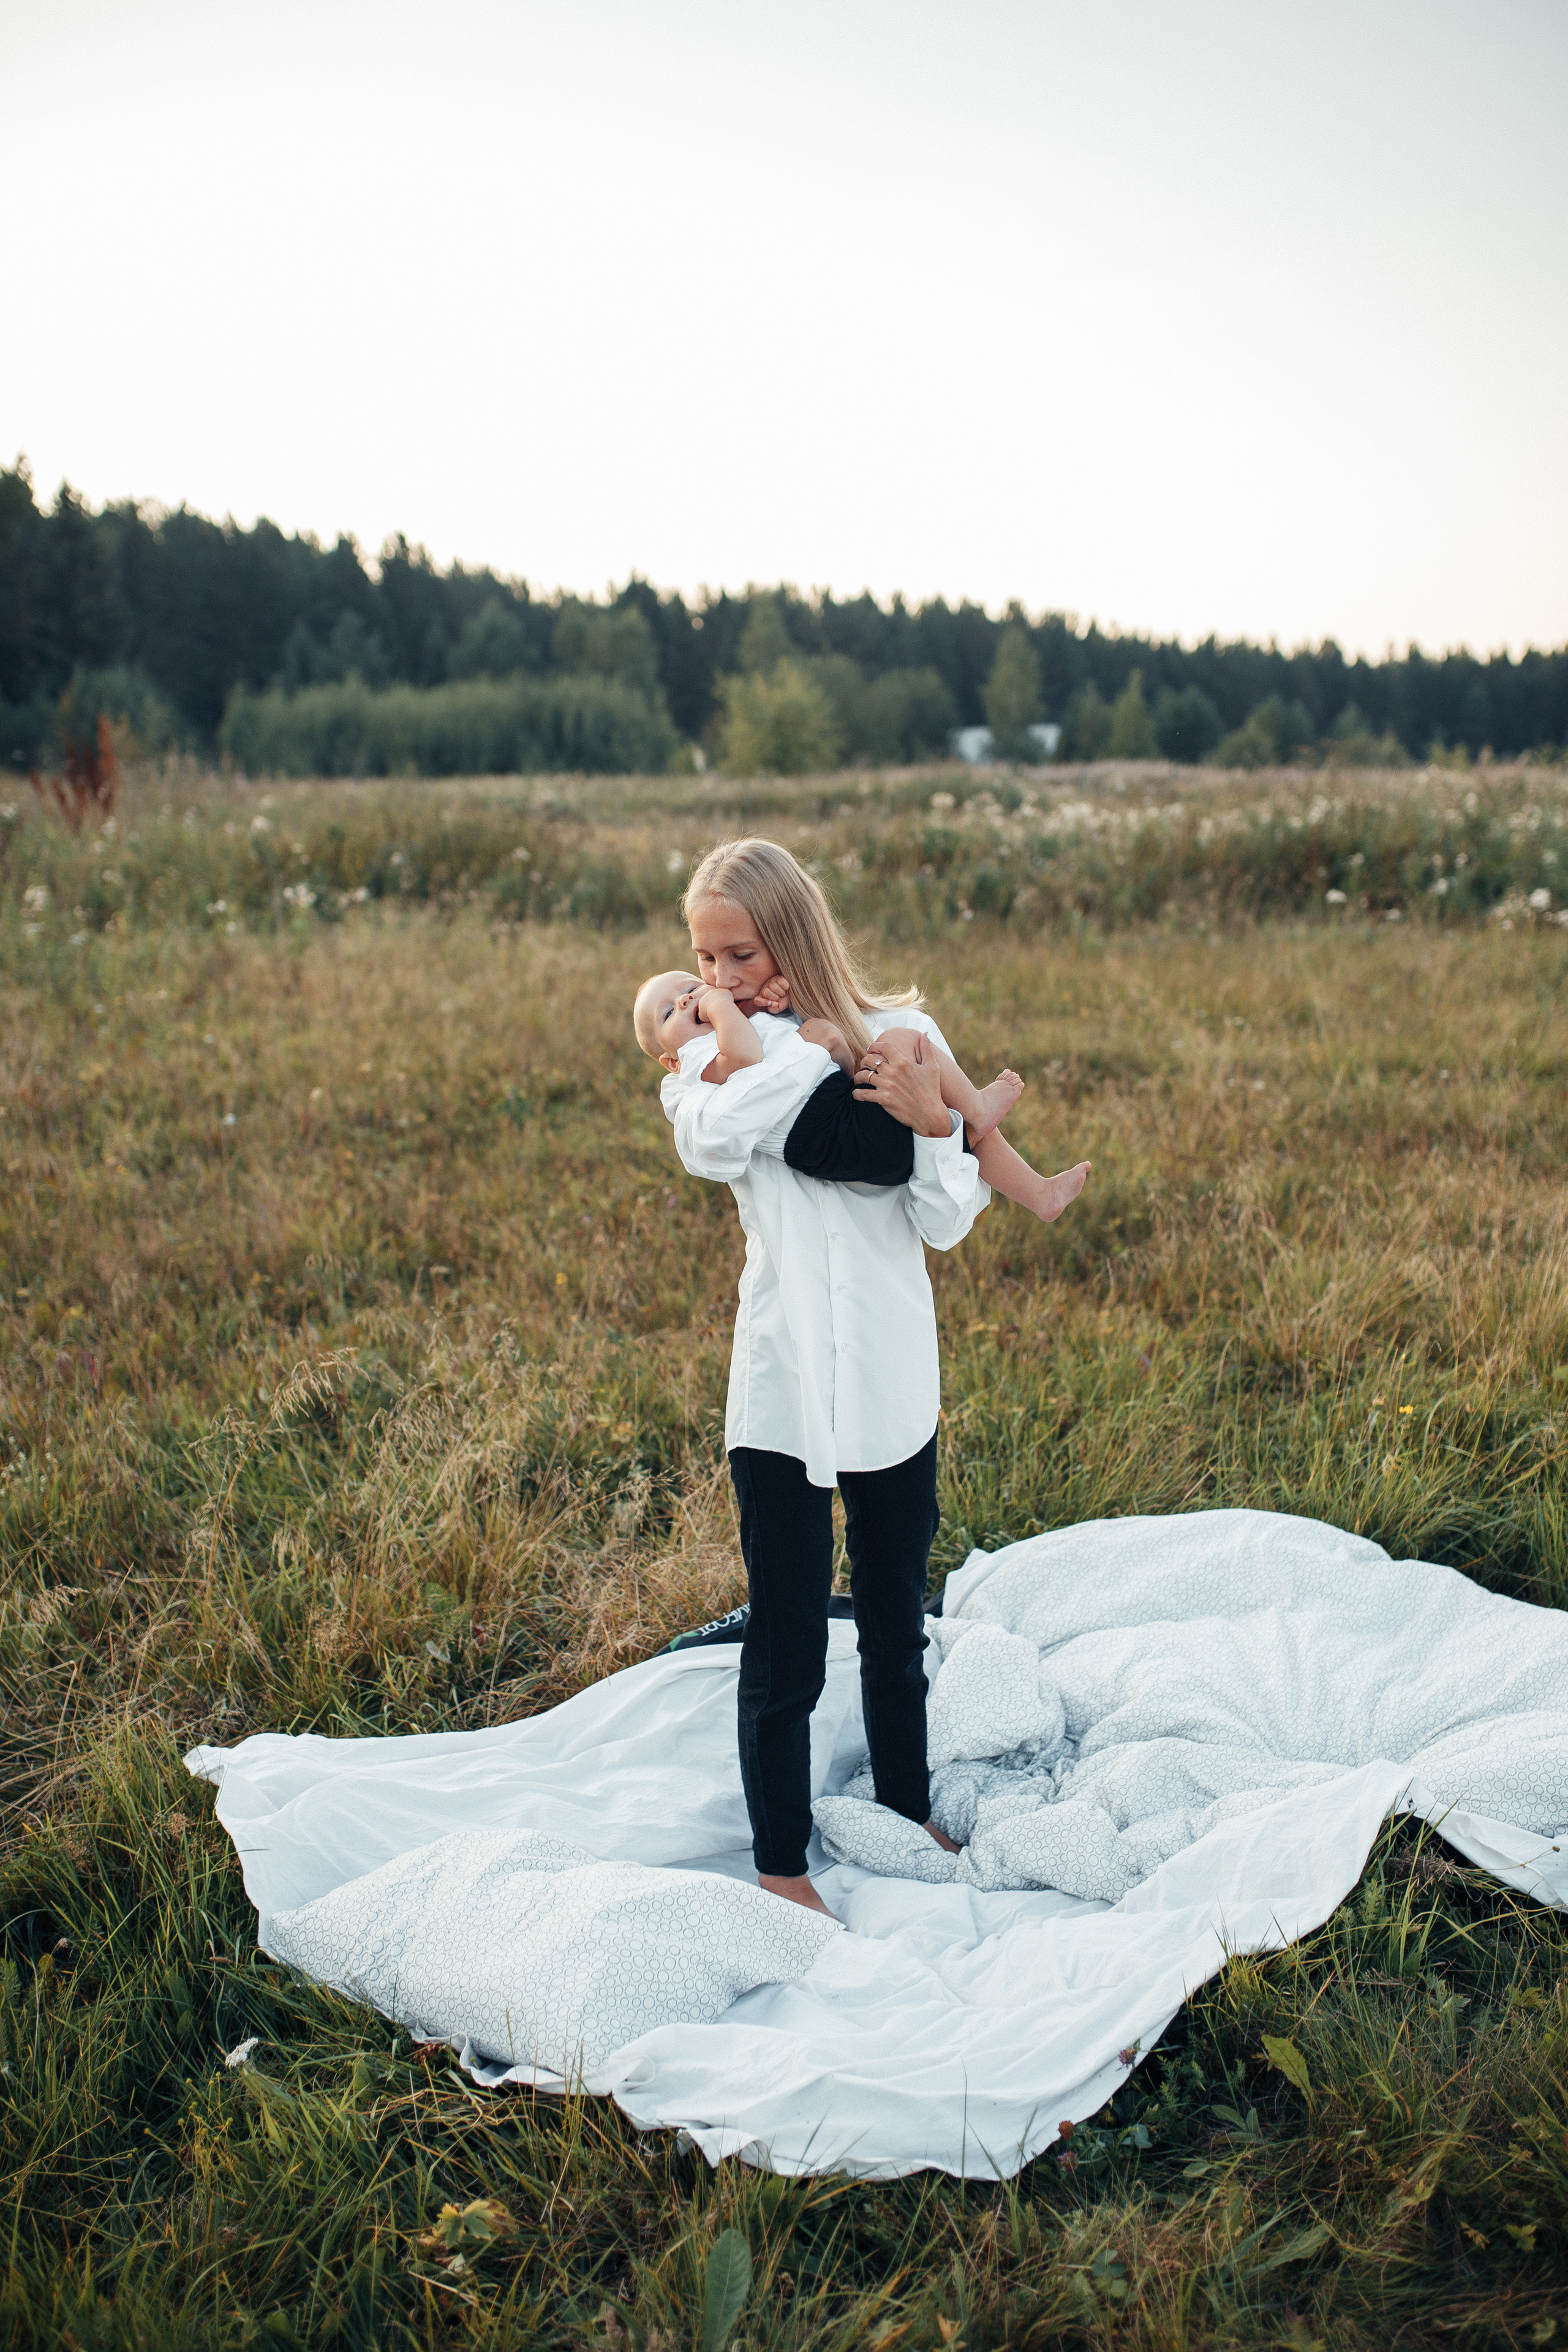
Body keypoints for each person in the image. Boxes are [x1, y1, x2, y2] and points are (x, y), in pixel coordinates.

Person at [656, 837, 1087, 1918]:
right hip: (782, 1386)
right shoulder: (712, 1068)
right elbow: (711, 1145)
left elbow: (941, 1221)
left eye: (740, 954)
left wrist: (936, 1122)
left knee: (897, 1619)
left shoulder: (908, 1038)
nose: (718, 982)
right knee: (787, 1631)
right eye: (703, 961)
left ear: (794, 936)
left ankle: (906, 1807)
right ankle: (780, 1860)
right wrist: (781, 1043)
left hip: (893, 1379)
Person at [633, 968, 1090, 1218]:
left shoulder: (730, 1021)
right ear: (670, 1060)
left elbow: (761, 1040)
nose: (691, 999)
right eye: (669, 1012)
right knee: (907, 1056)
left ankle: (1038, 1192)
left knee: (957, 1119)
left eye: (691, 989)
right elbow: (747, 1060)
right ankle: (976, 1107)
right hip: (834, 1133)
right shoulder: (694, 1064)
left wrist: (767, 1002)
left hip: (843, 1122)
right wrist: (722, 1005)